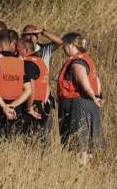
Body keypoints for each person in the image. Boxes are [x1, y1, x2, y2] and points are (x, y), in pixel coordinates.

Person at [57, 32, 104, 161]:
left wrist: (93, 97)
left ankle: (81, 169)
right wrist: (97, 97)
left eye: (64, 46)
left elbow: (83, 81)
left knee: (79, 143)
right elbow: (97, 81)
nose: (63, 49)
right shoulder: (87, 59)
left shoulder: (77, 62)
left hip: (78, 104)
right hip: (89, 103)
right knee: (88, 141)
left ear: (70, 45)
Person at [0, 30, 40, 136]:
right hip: (16, 110)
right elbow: (28, 90)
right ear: (10, 44)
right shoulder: (21, 62)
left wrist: (4, 107)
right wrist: (12, 106)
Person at [17, 37, 52, 137]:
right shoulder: (40, 62)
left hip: (31, 104)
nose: (16, 52)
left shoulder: (28, 64)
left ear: (26, 50)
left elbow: (30, 88)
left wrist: (28, 108)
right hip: (40, 104)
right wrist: (43, 103)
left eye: (18, 50)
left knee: (29, 137)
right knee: (40, 138)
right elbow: (47, 86)